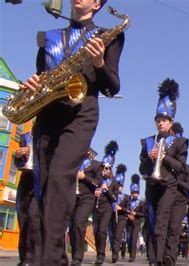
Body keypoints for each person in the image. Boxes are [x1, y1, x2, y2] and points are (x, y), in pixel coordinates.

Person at [19, 0, 125, 264]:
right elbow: (41, 76)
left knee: (58, 177)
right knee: (43, 188)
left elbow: (112, 87)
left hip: (81, 115)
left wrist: (100, 62)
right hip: (48, 114)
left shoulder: (106, 37)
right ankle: (51, 257)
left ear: (97, 3)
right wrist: (34, 82)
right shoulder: (48, 38)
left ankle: (50, 259)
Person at [139, 78, 188, 265]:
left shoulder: (179, 143)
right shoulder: (147, 142)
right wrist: (149, 159)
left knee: (162, 224)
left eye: (164, 120)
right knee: (151, 224)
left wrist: (163, 157)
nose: (161, 123)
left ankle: (160, 260)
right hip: (151, 186)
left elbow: (181, 167)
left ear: (171, 122)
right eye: (158, 120)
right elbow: (142, 169)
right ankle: (154, 257)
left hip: (169, 186)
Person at [165, 122, 189, 265]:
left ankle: (170, 256)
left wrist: (176, 181)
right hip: (165, 194)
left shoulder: (187, 169)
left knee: (174, 227)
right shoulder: (165, 162)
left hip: (180, 199)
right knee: (164, 225)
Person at [70, 148, 101, 266]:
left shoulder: (96, 164)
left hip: (87, 198)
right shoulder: (73, 163)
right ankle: (74, 254)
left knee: (79, 223)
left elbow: (98, 183)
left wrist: (85, 177)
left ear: (88, 152)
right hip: (72, 197)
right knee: (72, 226)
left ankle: (78, 257)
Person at [15, 132, 41, 265]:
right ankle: (24, 257)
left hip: (40, 181)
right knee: (23, 218)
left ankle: (31, 257)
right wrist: (18, 155)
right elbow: (18, 163)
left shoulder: (48, 134)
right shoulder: (24, 136)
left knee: (34, 217)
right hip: (25, 178)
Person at [93, 141, 120, 265]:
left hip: (107, 208)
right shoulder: (97, 179)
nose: (105, 170)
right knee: (96, 231)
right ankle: (99, 251)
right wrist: (96, 192)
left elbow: (114, 198)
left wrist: (106, 190)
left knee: (102, 230)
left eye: (108, 168)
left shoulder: (114, 183)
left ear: (111, 169)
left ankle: (101, 255)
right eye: (104, 167)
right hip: (96, 208)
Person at [111, 164, 130, 263]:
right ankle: (114, 251)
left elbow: (128, 210)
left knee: (118, 236)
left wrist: (120, 208)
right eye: (117, 185)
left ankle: (115, 255)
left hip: (122, 218)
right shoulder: (111, 195)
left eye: (120, 186)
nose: (119, 188)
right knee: (112, 236)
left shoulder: (126, 197)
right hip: (111, 217)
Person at [126, 174, 146, 262]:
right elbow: (124, 209)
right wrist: (128, 215)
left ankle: (132, 257)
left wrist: (136, 213)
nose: (135, 194)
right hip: (128, 223)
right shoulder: (127, 200)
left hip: (137, 223)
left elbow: (143, 214)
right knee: (129, 239)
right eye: (133, 193)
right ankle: (130, 252)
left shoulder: (141, 203)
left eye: (136, 193)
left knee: (134, 239)